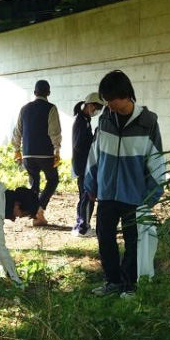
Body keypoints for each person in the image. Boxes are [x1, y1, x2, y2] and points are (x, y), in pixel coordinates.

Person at [85, 70, 165, 298]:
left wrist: (152, 195)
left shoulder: (148, 123)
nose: (108, 105)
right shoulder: (105, 120)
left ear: (126, 95)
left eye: (111, 99)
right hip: (107, 192)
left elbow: (157, 161)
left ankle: (130, 284)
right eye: (106, 100)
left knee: (133, 241)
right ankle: (113, 281)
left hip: (135, 195)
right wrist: (90, 185)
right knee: (105, 237)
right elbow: (95, 154)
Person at [12, 80, 62, 226]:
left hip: (28, 154)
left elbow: (17, 131)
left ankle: (34, 214)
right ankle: (39, 209)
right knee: (52, 180)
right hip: (45, 154)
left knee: (34, 184)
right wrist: (57, 150)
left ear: (35, 93)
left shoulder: (24, 109)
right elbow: (54, 131)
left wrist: (17, 150)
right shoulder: (51, 108)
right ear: (49, 93)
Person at [71, 92, 103, 238]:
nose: (99, 111)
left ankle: (80, 224)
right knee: (87, 195)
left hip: (81, 164)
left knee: (84, 195)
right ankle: (83, 228)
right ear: (90, 105)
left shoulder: (84, 119)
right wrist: (93, 143)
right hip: (84, 164)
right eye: (98, 107)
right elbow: (79, 145)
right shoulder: (81, 121)